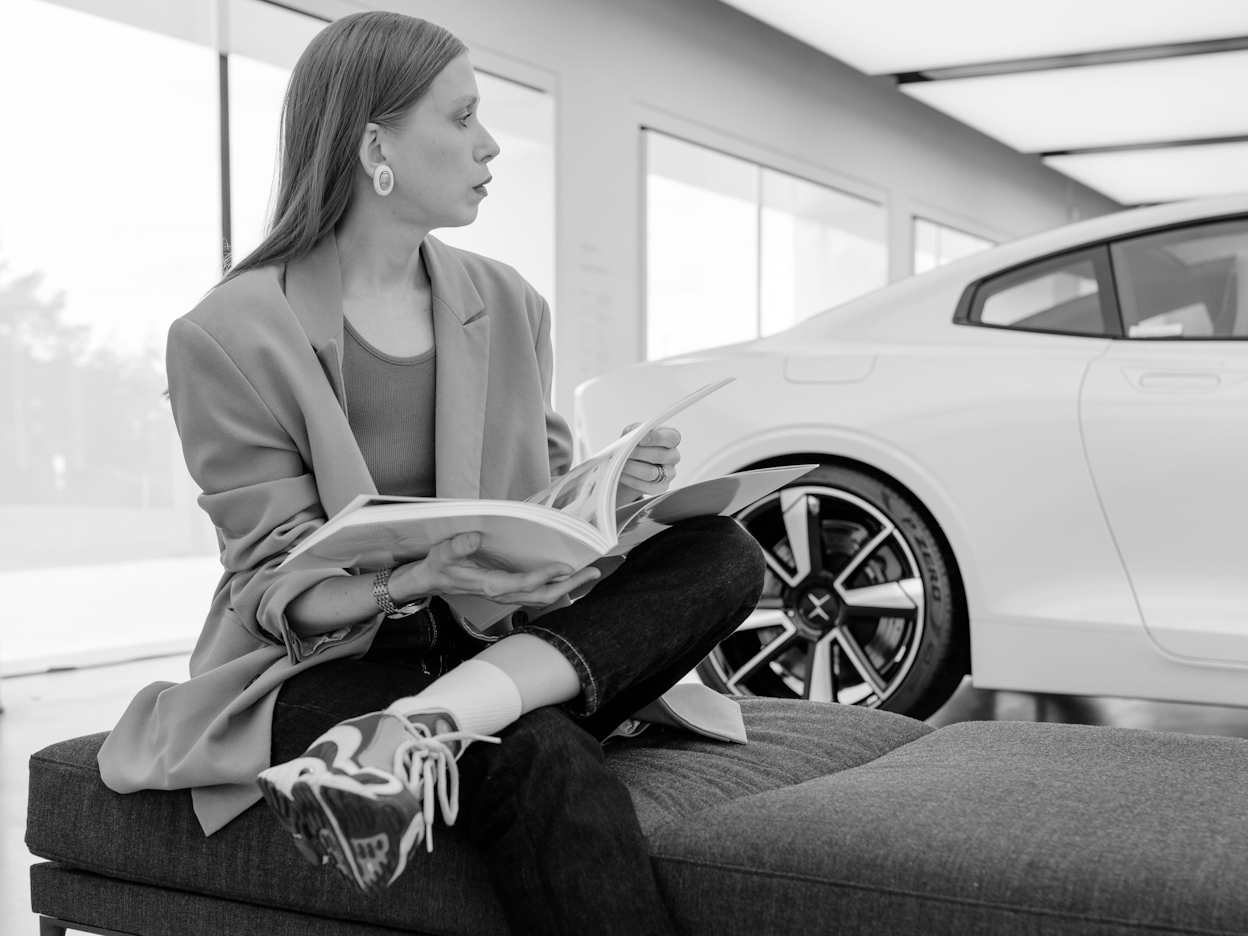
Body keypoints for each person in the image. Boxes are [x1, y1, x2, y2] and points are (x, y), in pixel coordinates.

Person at [98, 11, 764, 935]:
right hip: (334, 660)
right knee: (543, 760)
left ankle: (425, 727)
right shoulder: (228, 333)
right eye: (461, 119)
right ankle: (431, 719)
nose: (490, 145)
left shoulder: (506, 300)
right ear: (376, 143)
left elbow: (545, 500)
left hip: (506, 633)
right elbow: (266, 583)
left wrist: (620, 493)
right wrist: (415, 578)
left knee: (722, 550)